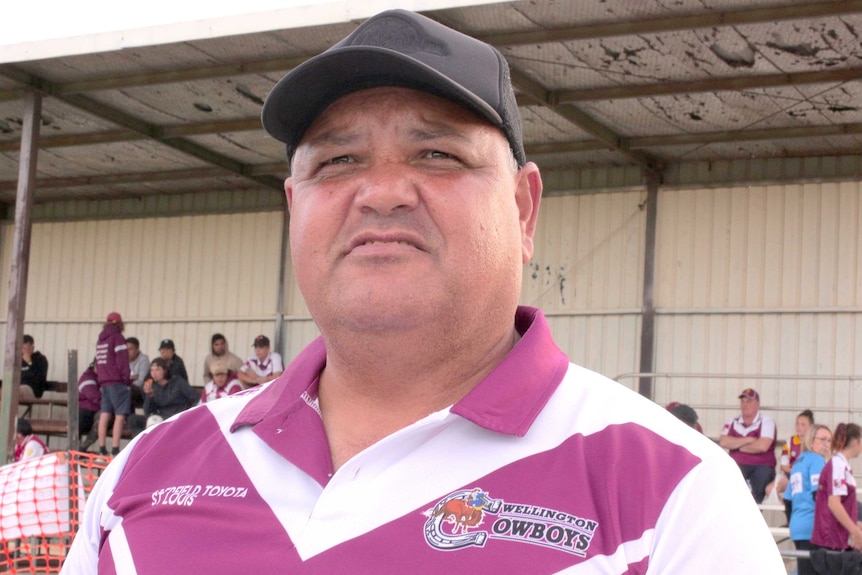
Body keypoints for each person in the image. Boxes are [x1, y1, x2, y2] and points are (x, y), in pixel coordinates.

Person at [62, 10, 783, 573]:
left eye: (436, 153)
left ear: (524, 210)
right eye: (338, 160)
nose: (380, 191)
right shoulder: (145, 472)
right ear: (294, 206)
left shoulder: (671, 497)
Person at [719, 387, 778, 503]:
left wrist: (736, 446)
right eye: (743, 401)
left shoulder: (766, 422)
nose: (745, 405)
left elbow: (762, 446)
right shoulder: (732, 421)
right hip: (737, 465)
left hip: (761, 466)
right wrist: (748, 440)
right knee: (725, 475)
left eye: (749, 401)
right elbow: (724, 442)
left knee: (762, 475)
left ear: (757, 404)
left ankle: (754, 509)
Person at [787, 424, 832, 575]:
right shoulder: (816, 460)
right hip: (813, 527)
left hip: (798, 527)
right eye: (823, 440)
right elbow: (819, 495)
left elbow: (788, 499)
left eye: (829, 441)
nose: (827, 444)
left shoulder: (798, 462)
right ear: (811, 440)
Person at [811, 423, 862, 553]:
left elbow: (844, 504)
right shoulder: (838, 465)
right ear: (856, 442)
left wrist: (854, 524)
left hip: (839, 539)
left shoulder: (842, 465)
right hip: (832, 540)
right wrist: (854, 530)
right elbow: (834, 504)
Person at [129, 358, 198, 436]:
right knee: (132, 419)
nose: (154, 373)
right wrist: (150, 395)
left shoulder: (178, 382)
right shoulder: (153, 386)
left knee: (154, 424)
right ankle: (144, 443)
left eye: (157, 370)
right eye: (152, 370)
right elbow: (148, 412)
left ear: (165, 370)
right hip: (160, 418)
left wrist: (188, 415)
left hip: (176, 418)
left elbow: (195, 398)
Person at [95, 312, 132, 457]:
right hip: (117, 382)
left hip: (104, 382)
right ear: (119, 323)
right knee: (119, 416)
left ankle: (102, 448)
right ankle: (115, 449)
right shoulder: (117, 338)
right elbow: (122, 361)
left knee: (105, 415)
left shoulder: (101, 340)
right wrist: (126, 379)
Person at [769, 409, 814, 519]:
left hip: (808, 477)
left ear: (810, 426)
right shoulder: (790, 442)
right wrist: (796, 471)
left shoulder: (814, 442)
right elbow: (784, 465)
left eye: (803, 424)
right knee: (770, 489)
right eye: (797, 424)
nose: (799, 427)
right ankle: (790, 514)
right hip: (791, 474)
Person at [78, 360, 101, 451]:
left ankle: (82, 448)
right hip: (86, 411)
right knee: (78, 419)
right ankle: (71, 451)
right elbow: (94, 396)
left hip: (100, 412)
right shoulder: (87, 377)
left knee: (103, 418)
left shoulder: (108, 378)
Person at [20, 334, 49, 399]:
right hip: (17, 387)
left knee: (14, 392)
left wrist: (29, 362)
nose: (23, 351)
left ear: (32, 347)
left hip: (32, 390)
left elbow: (38, 378)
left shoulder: (40, 359)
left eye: (24, 348)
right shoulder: (19, 360)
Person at [126, 337, 150, 408]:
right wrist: (134, 377)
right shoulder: (123, 360)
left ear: (137, 349)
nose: (127, 352)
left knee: (128, 390)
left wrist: (128, 381)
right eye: (126, 349)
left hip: (140, 392)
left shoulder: (144, 360)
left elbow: (141, 381)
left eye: (130, 349)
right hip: (127, 389)